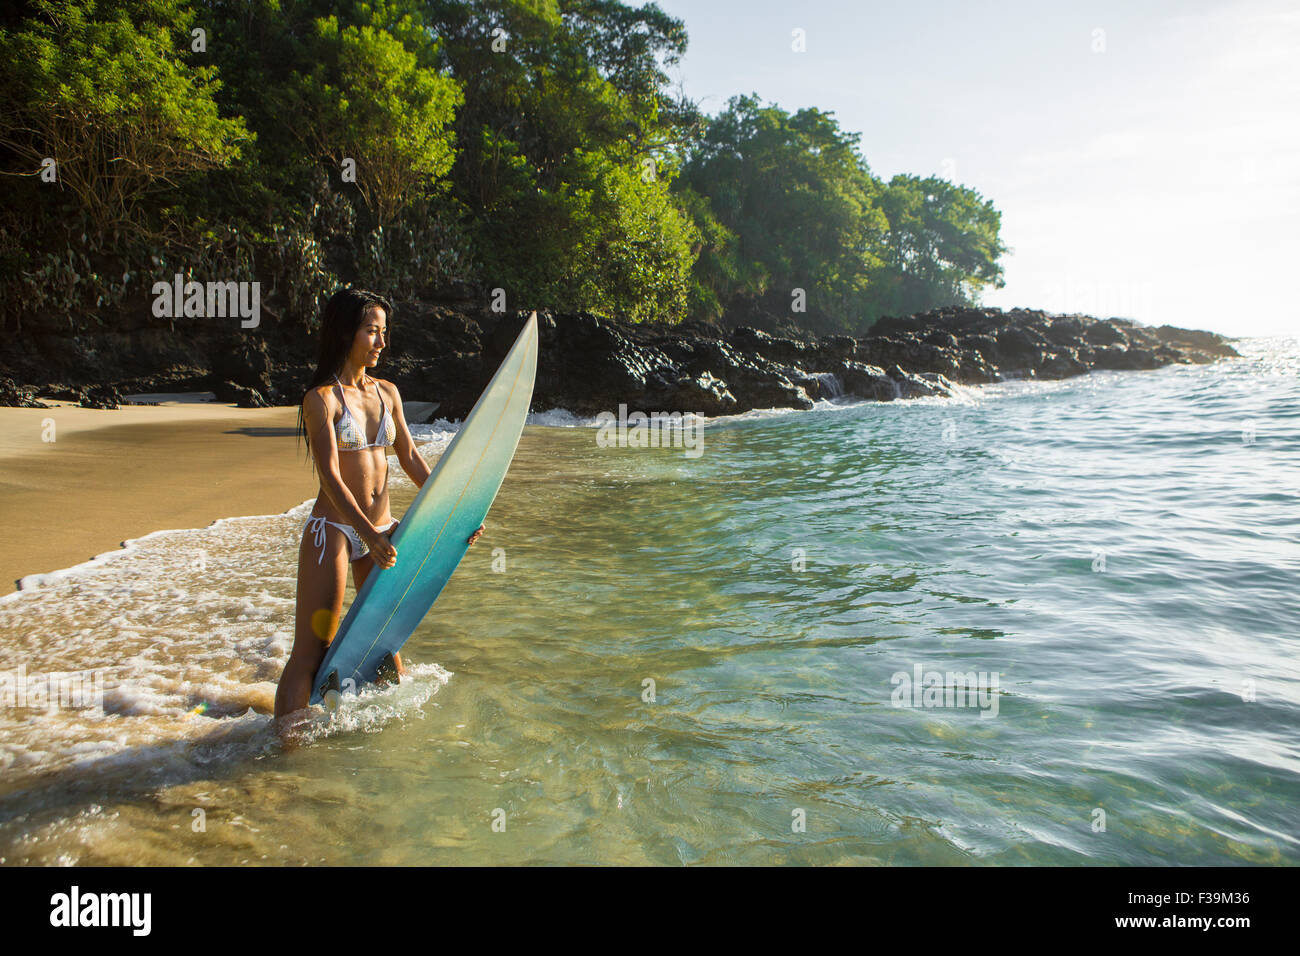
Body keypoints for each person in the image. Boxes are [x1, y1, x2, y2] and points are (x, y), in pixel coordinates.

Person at [274, 288, 482, 734]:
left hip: (381, 529)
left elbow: (409, 457)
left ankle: (384, 743)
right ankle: (284, 752)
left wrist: (457, 512)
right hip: (334, 530)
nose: (382, 343)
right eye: (373, 331)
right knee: (314, 649)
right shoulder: (322, 399)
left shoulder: (388, 392)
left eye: (384, 332)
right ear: (346, 332)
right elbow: (330, 477)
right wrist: (367, 534)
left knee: (385, 647)